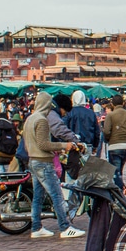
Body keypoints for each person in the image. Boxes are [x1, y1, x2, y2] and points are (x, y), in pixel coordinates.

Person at [22, 91, 84, 239]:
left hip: (33, 161)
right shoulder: (42, 120)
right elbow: (44, 144)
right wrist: (64, 145)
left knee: (38, 196)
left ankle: (36, 227)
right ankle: (65, 227)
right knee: (57, 195)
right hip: (43, 162)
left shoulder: (30, 119)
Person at [103, 95, 126, 193]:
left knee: (115, 172)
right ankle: (119, 191)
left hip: (114, 146)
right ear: (123, 103)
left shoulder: (110, 116)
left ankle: (122, 189)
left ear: (112, 104)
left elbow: (106, 131)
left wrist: (109, 138)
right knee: (119, 170)